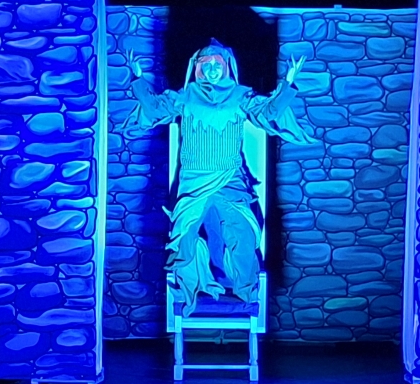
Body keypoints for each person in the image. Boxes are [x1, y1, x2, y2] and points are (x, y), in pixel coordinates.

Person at [121, 39, 314, 314]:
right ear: (198, 68)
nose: (212, 69)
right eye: (206, 64)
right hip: (193, 182)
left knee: (243, 234)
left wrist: (289, 82)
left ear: (226, 67)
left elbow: (269, 111)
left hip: (230, 179)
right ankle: (188, 296)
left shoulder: (240, 96)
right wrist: (138, 78)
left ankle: (246, 295)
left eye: (217, 64)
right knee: (184, 240)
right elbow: (154, 109)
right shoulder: (187, 95)